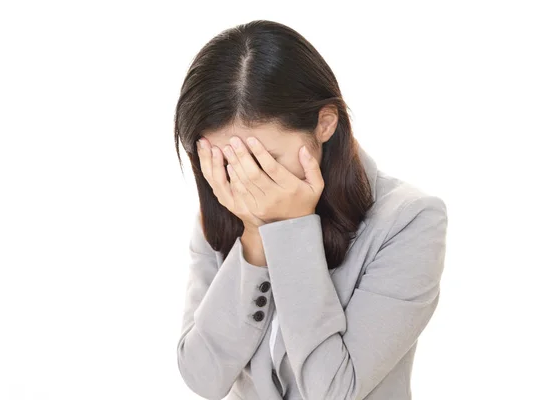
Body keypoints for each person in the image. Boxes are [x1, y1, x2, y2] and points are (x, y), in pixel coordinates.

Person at [174, 20, 448, 400]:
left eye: (265, 160)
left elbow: (334, 391)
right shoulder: (224, 208)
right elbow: (203, 378)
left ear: (325, 123)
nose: (247, 180)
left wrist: (289, 228)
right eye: (227, 162)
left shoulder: (409, 221)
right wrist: (254, 238)